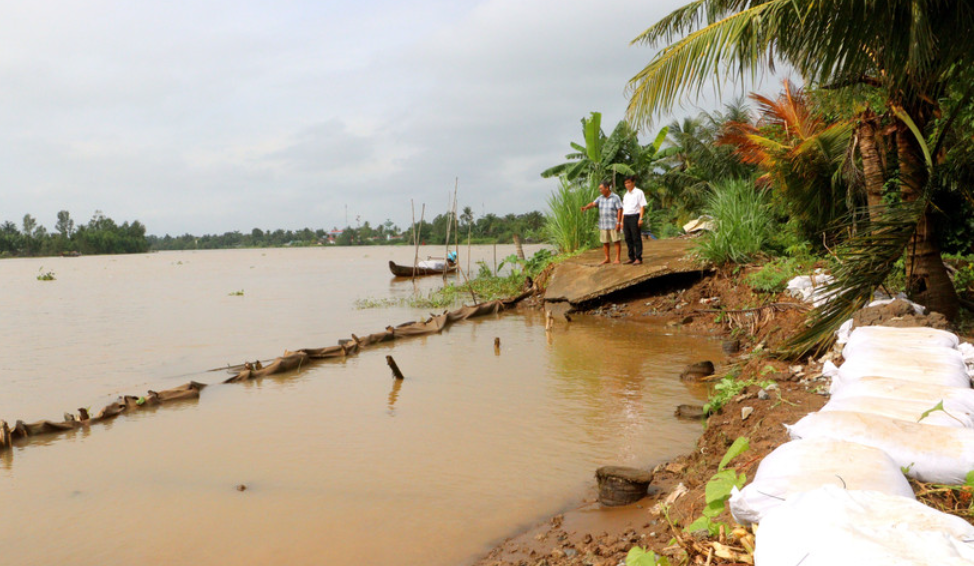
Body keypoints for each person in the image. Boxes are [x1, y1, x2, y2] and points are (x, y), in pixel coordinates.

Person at [580, 181, 623, 264]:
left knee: (616, 241)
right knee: (605, 242)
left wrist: (619, 222)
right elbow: (593, 204)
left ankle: (617, 258)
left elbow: (620, 209)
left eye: (601, 189)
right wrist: (586, 207)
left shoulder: (615, 197)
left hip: (613, 223)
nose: (600, 190)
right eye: (599, 189)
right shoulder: (600, 198)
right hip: (603, 224)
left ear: (607, 188)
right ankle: (607, 258)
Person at [621, 176, 647, 265]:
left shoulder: (639, 192)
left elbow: (642, 206)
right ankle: (631, 257)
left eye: (628, 182)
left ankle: (638, 258)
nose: (627, 185)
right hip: (626, 217)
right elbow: (624, 208)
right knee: (628, 238)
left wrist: (640, 218)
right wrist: (621, 221)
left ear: (633, 182)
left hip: (635, 216)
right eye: (625, 183)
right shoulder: (626, 195)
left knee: (636, 237)